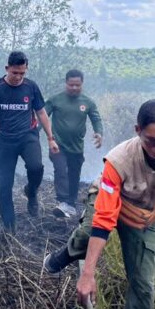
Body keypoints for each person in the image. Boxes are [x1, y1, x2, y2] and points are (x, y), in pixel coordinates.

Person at [44, 99, 155, 309]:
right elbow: (104, 220)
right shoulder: (119, 160)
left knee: (144, 285)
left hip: (144, 215)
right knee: (88, 233)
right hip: (109, 199)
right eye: (152, 141)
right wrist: (88, 274)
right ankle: (66, 254)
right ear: (138, 130)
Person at [0, 51, 59, 231]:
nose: (18, 77)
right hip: (4, 140)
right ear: (7, 69)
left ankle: (32, 192)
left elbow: (41, 113)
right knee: (3, 186)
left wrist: (51, 138)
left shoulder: (31, 87)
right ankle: (10, 229)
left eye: (22, 73)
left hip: (28, 136)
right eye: (15, 73)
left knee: (36, 167)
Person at [44, 69, 103, 219]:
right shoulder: (56, 99)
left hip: (76, 147)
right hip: (57, 144)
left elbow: (96, 119)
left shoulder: (87, 102)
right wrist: (32, 133)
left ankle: (71, 203)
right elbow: (42, 117)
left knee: (74, 175)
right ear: (66, 83)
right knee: (60, 169)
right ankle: (63, 201)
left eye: (77, 85)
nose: (74, 88)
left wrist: (99, 133)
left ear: (82, 84)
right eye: (71, 85)